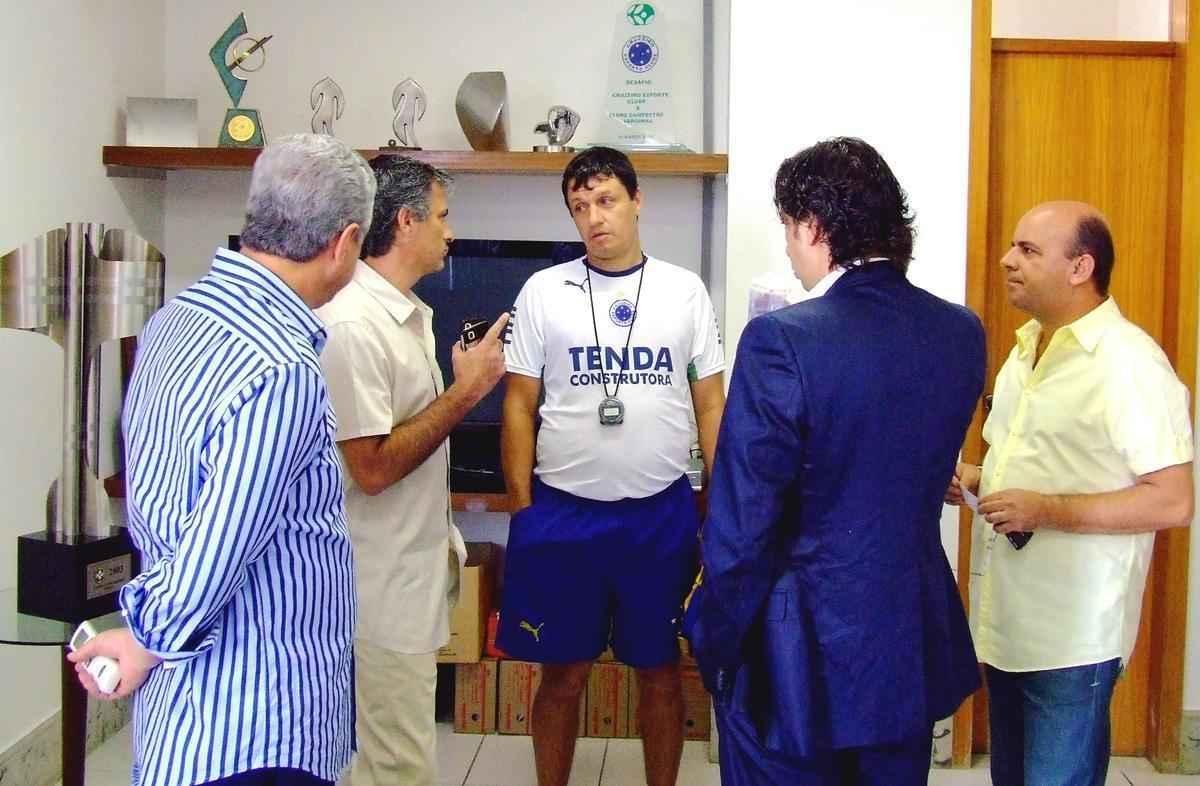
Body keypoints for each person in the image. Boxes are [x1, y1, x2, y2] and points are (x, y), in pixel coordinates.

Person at [67, 133, 376, 786]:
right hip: (259, 721)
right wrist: (145, 639)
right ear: (345, 242)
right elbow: (220, 543)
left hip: (182, 723)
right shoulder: (282, 367)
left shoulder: (175, 320)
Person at [684, 137, 985, 786]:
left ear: (813, 227)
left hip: (794, 652)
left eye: (788, 228)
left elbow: (743, 524)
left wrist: (712, 635)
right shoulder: (961, 332)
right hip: (907, 638)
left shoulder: (781, 340)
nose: (789, 250)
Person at [497, 146, 726, 786]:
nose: (594, 218)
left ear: (636, 201)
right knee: (562, 673)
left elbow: (711, 404)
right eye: (580, 207)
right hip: (563, 514)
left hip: (659, 513)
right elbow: (518, 404)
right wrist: (522, 510)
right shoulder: (544, 291)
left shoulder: (684, 291)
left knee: (660, 670)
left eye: (606, 200)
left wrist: (722, 505)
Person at [946, 201, 1193, 786]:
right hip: (1008, 620)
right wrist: (976, 477)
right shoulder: (1025, 350)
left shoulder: (1129, 363)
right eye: (1014, 246)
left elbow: (1173, 499)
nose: (1007, 260)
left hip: (1074, 634)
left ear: (1081, 267)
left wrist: (1047, 511)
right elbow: (1038, 460)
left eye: (1028, 251)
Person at [315, 155, 508, 786]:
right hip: (376, 590)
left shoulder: (405, 313)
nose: (451, 232)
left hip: (406, 576)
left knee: (389, 757)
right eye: (442, 217)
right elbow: (370, 467)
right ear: (405, 221)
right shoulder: (353, 324)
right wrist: (466, 393)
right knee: (398, 765)